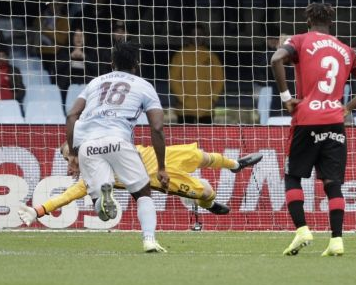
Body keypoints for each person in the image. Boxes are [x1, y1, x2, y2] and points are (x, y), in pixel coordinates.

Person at [271, 2, 356, 256]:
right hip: (334, 120)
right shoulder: (346, 50)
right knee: (333, 183)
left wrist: (287, 97)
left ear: (308, 21)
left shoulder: (298, 40)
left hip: (307, 119)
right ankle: (336, 241)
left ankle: (302, 230)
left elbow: (277, 58)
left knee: (292, 176)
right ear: (331, 23)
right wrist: (348, 107)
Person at [66, 42, 170, 253]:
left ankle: (103, 198)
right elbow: (157, 127)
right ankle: (149, 239)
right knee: (142, 194)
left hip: (88, 144)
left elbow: (71, 115)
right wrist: (161, 167)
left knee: (103, 211)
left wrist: (73, 154)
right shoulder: (144, 86)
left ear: (112, 63)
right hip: (118, 140)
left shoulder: (95, 83)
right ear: (136, 64)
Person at [17, 142, 263, 225]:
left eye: (70, 159)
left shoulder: (99, 144)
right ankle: (207, 204)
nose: (71, 165)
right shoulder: (92, 177)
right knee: (208, 191)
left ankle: (236, 165)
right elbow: (67, 196)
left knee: (200, 156)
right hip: (156, 176)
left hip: (157, 155)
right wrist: (37, 211)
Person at [169, 24, 225, 124]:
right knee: (186, 139)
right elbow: (174, 79)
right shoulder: (180, 55)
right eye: (194, 34)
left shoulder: (211, 56)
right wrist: (183, 99)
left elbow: (219, 80)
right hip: (185, 110)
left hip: (206, 110)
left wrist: (212, 99)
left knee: (206, 139)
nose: (197, 37)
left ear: (205, 36)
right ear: (188, 36)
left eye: (200, 34)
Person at [55, 29, 99, 103]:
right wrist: (70, 57)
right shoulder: (64, 51)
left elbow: (97, 69)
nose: (79, 38)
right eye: (76, 35)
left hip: (86, 83)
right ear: (72, 37)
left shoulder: (91, 52)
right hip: (67, 84)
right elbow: (56, 68)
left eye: (81, 36)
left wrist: (84, 57)